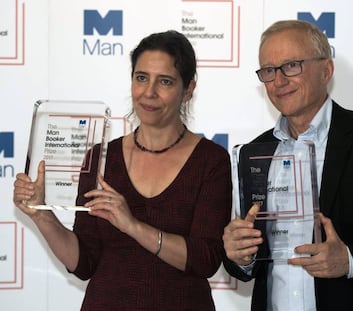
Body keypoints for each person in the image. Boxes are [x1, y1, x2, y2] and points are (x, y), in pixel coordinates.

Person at [13, 30, 232, 311]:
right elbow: (84, 262)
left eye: (164, 81)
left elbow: (206, 259)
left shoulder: (210, 161)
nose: (149, 92)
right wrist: (42, 215)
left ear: (188, 89)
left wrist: (132, 226)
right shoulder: (103, 157)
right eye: (141, 78)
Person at [222, 19, 353, 311]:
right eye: (269, 71)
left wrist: (349, 260)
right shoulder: (254, 153)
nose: (278, 81)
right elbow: (245, 264)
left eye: (291, 66)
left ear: (326, 70)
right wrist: (239, 255)